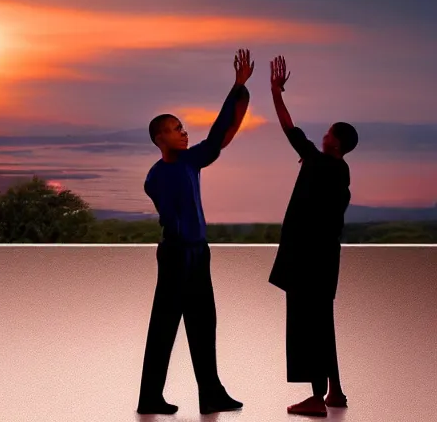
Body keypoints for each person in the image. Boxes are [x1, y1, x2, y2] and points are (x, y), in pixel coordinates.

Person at [137, 49, 254, 416]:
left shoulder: (190, 160)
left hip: (198, 253)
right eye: (176, 128)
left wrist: (237, 89)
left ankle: (211, 394)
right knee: (165, 328)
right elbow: (173, 220)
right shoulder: (157, 177)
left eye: (182, 127)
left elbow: (220, 134)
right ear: (160, 138)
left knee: (204, 325)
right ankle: (149, 398)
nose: (183, 131)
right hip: (175, 255)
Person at [268, 55, 358, 418]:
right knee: (323, 321)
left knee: (309, 327)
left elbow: (290, 129)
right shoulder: (340, 171)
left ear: (335, 142)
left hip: (307, 260)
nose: (324, 134)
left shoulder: (320, 164)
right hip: (325, 259)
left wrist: (276, 92)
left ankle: (316, 398)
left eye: (329, 132)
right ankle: (335, 391)